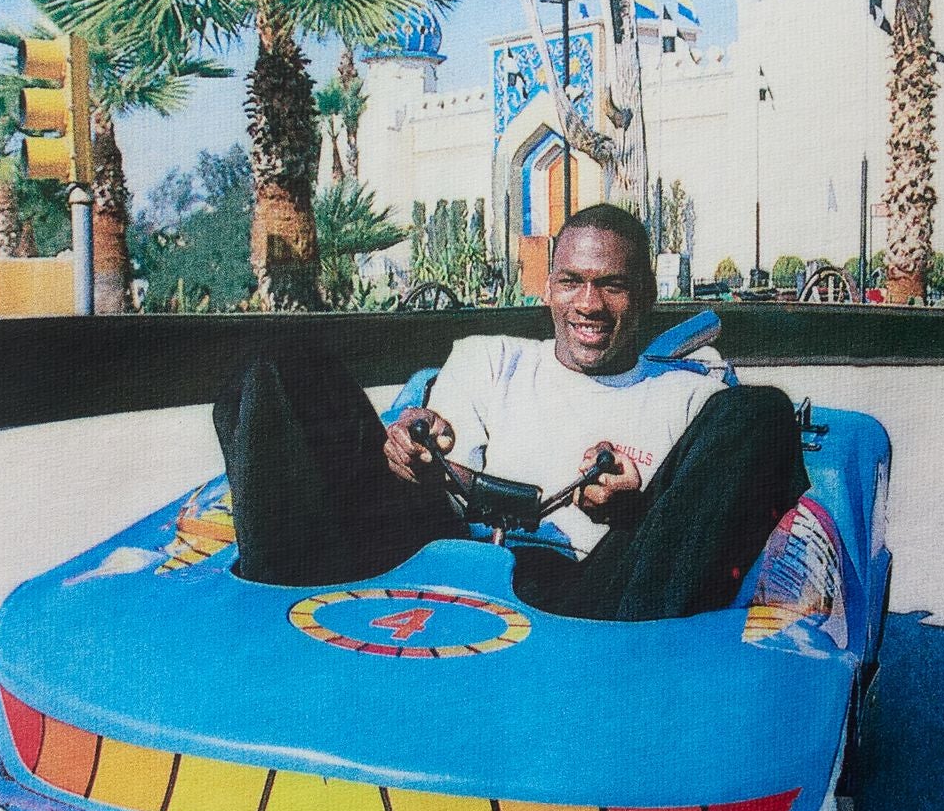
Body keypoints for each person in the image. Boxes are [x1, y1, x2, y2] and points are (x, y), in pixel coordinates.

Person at [212, 203, 810, 622]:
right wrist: (413, 451)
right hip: (443, 561)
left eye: (612, 286)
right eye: (571, 282)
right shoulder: (488, 359)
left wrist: (633, 507)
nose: (589, 304)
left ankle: (636, 678)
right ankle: (275, 610)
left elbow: (682, 529)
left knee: (762, 414)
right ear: (548, 287)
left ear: (647, 295)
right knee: (279, 364)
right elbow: (444, 487)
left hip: (597, 599)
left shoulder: (689, 398)